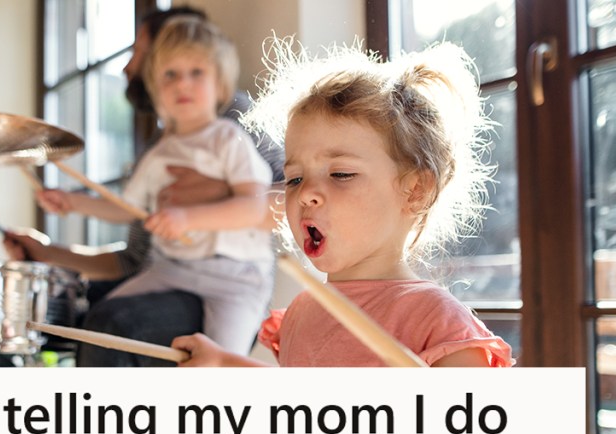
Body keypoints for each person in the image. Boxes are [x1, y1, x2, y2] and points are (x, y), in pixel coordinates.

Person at [172, 41, 513, 368]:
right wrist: (224, 362)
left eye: (341, 173)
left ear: (416, 191)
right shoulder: (304, 311)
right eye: (294, 179)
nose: (305, 193)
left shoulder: (437, 320)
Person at [6, 8, 283, 366]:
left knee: (218, 369)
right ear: (157, 86)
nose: (183, 83)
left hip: (235, 279)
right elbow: (129, 209)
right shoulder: (160, 151)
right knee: (97, 320)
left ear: (219, 82)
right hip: (172, 268)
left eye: (195, 73)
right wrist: (73, 202)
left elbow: (255, 206)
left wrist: (188, 216)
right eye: (170, 74)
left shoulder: (230, 135)